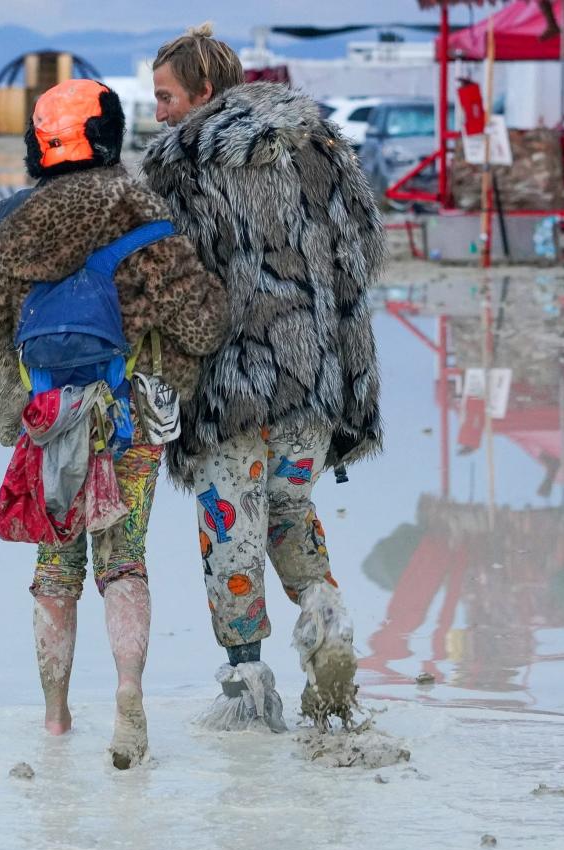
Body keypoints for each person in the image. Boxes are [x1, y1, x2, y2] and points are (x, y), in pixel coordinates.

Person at [0, 79, 229, 768]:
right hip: (128, 418)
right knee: (124, 561)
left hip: (45, 422)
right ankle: (129, 694)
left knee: (55, 568)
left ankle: (53, 719)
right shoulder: (140, 212)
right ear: (106, 135)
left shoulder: (9, 223)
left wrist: (28, 379)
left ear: (37, 143)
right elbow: (202, 320)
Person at [142, 25, 387, 733]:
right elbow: (362, 253)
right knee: (289, 511)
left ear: (203, 93)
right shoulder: (321, 146)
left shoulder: (182, 162)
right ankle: (326, 620)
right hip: (317, 376)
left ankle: (247, 684)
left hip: (231, 385)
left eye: (164, 97)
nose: (157, 112)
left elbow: (171, 286)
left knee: (230, 532)